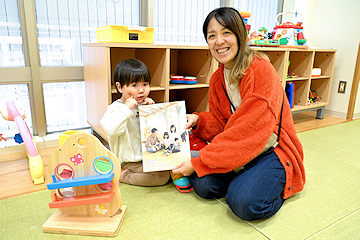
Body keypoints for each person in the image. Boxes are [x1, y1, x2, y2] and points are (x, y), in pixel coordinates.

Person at [173, 7, 305, 220]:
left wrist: (199, 162)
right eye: (211, 35)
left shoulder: (261, 70)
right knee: (203, 186)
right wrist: (198, 119)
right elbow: (219, 122)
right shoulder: (218, 78)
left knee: (243, 204)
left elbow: (249, 130)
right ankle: (245, 177)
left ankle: (268, 182)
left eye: (226, 33)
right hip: (240, 151)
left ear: (240, 35)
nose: (219, 41)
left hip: (272, 149)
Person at [100, 59, 170, 186]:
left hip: (147, 156)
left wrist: (152, 111)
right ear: (120, 87)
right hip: (129, 161)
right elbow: (111, 130)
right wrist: (126, 109)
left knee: (173, 165)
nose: (141, 90)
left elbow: (155, 132)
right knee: (163, 176)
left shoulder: (144, 104)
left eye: (145, 84)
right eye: (134, 85)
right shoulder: (115, 108)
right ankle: (123, 175)